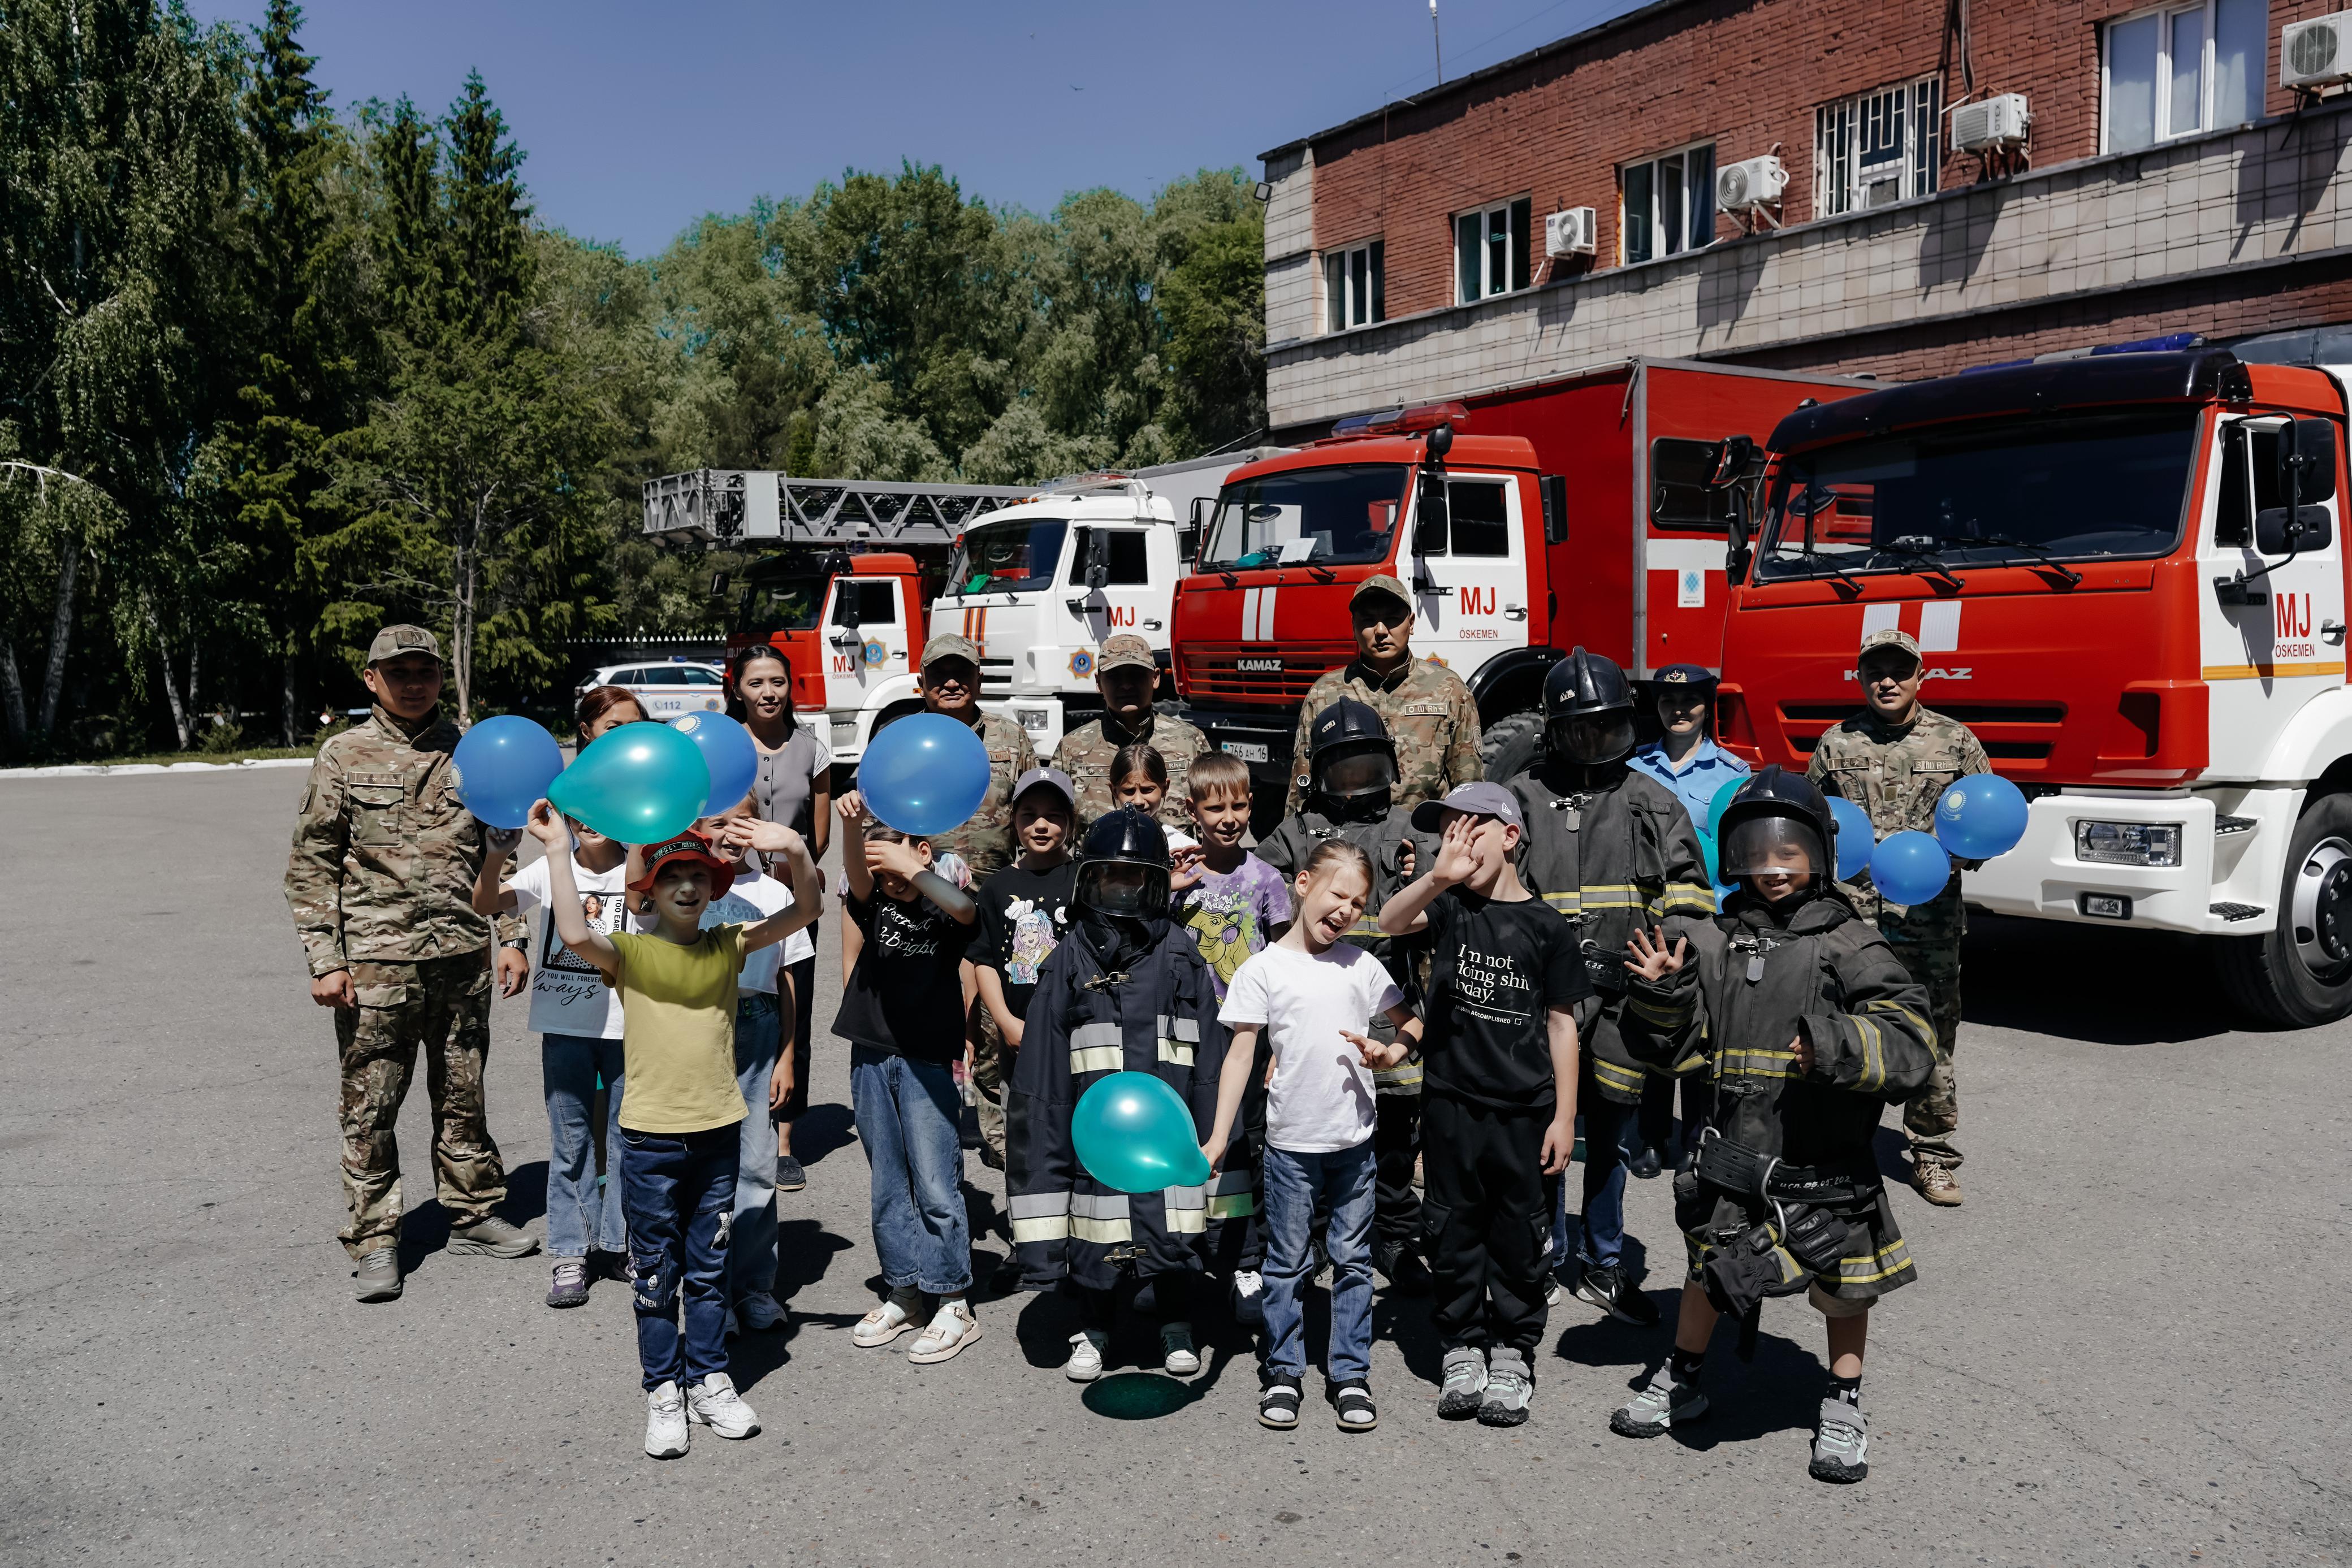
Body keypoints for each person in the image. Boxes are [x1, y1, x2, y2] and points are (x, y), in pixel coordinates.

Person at [1607, 766, 1940, 1484]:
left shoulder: (1849, 941)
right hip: (1733, 1160)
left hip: (1823, 1160)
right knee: (1707, 1269)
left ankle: (1843, 1400)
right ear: (1732, 855)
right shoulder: (1719, 941)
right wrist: (1664, 994)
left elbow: (1914, 1041)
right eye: (1755, 850)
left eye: (1787, 850)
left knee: (1844, 1287)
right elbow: (1681, 1046)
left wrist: (1834, 1045)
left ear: (1818, 852)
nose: (1772, 866)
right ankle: (1684, 1377)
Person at [528, 814, 813, 1459]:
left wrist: (793, 847)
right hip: (650, 1143)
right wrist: (555, 849)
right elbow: (573, 931)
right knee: (655, 1274)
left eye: (697, 875)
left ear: (713, 888)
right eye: (671, 876)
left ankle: (710, 1377)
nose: (686, 885)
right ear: (648, 893)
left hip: (717, 1138)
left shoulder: (729, 944)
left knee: (709, 1268)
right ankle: (663, 1389)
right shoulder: (630, 952)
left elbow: (807, 909)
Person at [284, 623, 538, 1303]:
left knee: (464, 1093)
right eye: (400, 672)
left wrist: (512, 935)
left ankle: (474, 1211)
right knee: (372, 1103)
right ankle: (374, 1238)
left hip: (461, 954)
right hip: (376, 963)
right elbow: (312, 865)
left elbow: (502, 846)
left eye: (425, 668)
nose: (415, 681)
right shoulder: (342, 755)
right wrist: (324, 958)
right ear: (373, 681)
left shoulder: (473, 752)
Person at [1499, 648, 1714, 1329]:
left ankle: (1601, 1259)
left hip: (1624, 999)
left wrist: (1667, 956)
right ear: (1553, 730)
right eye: (1578, 728)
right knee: (1543, 1130)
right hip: (1545, 1002)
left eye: (1605, 726)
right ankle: (1541, 1252)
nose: (1592, 741)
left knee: (1613, 1136)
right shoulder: (1523, 798)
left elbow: (1689, 897)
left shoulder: (1651, 799)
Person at [1378, 782, 1587, 1427]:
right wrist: (1438, 878)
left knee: (1518, 1235)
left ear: (1510, 837)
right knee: (1452, 1227)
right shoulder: (1449, 907)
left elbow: (1560, 1026)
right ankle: (1462, 1344)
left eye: (1470, 828)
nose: (1456, 840)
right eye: (1447, 830)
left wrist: (1562, 1116)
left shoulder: (1547, 926)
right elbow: (1389, 921)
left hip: (1523, 1111)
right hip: (1449, 1102)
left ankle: (1513, 1351)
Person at [1007, 810, 1229, 1385]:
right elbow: (1042, 1081)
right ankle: (1095, 1325)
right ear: (1087, 881)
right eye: (1111, 878)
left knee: (1175, 1218)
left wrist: (1212, 1142)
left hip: (1166, 1132)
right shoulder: (1067, 959)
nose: (1123, 891)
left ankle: (1175, 1320)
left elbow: (1209, 1066)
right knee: (1094, 1225)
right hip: (1094, 1137)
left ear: (1157, 884)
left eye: (1136, 879)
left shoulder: (1182, 954)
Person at [1205, 841, 1421, 1433]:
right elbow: (1240, 1054)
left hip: (1353, 1143)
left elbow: (1412, 1022)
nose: (1348, 909)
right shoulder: (1262, 968)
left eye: (1358, 902)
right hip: (1290, 1146)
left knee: (1353, 1260)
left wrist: (1390, 1051)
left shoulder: (1362, 964)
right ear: (1302, 883)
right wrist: (1219, 1136)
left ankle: (1349, 1372)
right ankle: (1284, 1370)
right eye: (1338, 894)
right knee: (1286, 1262)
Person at [1806, 627, 1990, 1209]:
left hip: (1927, 919)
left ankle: (1933, 1154)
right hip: (1851, 919)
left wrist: (1959, 852)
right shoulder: (1835, 743)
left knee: (1932, 1034)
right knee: (1847, 1029)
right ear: (1859, 677)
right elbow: (1810, 823)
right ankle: (1838, 1150)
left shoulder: (1956, 741)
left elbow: (1987, 823)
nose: (1885, 680)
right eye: (1874, 671)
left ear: (1919, 676)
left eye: (1898, 670)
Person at [1257, 698, 1436, 1294]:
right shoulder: (1295, 832)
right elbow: (1260, 896)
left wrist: (1419, 873)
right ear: (1318, 773)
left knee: (1391, 1136)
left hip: (1387, 1008)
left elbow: (1438, 898)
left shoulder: (1408, 825)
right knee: (1317, 1137)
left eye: (1368, 767)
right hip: (1313, 1018)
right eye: (1344, 769)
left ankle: (1395, 1234)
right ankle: (1314, 1237)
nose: (1358, 783)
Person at [835, 804, 987, 1365]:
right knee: (888, 1183)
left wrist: (912, 866)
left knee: (936, 1180)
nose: (891, 882)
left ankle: (952, 1297)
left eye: (899, 869)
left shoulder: (939, 903)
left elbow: (966, 910)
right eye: (883, 875)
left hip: (929, 1057)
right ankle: (905, 1289)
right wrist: (853, 830)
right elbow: (855, 876)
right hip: (872, 1052)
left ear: (922, 853)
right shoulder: (871, 897)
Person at [470, 804, 636, 1308]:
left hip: (631, 1027)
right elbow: (484, 903)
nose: (590, 820)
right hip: (564, 1028)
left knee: (630, 1142)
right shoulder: (550, 865)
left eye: (601, 808)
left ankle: (624, 1245)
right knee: (571, 1143)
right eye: (578, 811)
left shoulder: (639, 864)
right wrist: (497, 856)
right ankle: (571, 1251)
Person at [1169, 751, 1292, 1316]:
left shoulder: (1265, 877)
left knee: (1246, 1146)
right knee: (1189, 1141)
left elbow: (1287, 962)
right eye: (1214, 806)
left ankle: (1247, 1260)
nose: (1228, 816)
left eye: (1238, 804)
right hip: (1186, 1037)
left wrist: (1282, 1043)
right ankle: (1183, 1251)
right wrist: (1168, 891)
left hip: (1248, 1038)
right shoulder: (1178, 876)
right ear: (1192, 810)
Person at [698, 799, 823, 1338]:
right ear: (697, 828)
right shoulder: (686, 884)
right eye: (719, 823)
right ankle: (711, 1291)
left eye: (744, 822)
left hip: (759, 1028)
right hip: (700, 1030)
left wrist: (788, 1055)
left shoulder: (774, 893)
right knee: (705, 1170)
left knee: (755, 1163)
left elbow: (789, 980)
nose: (733, 833)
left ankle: (754, 1285)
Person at [1625, 662, 1749, 1179]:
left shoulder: (1737, 775)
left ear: (1708, 706)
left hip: (1714, 920)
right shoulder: (1633, 768)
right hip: (1652, 917)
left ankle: (1699, 1135)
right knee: (1657, 1022)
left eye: (1692, 701)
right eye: (1669, 701)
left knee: (1707, 1030)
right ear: (1656, 707)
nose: (1680, 710)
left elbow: (1744, 849)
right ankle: (1653, 1137)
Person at [727, 643, 832, 1195]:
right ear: (737, 688)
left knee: (792, 1007)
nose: (768, 692)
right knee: (730, 1007)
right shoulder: (719, 745)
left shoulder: (812, 749)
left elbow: (819, 836)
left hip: (792, 904)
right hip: (725, 897)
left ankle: (785, 1138)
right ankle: (731, 1121)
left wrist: (794, 870)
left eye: (777, 682)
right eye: (756, 682)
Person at [837, 633, 1034, 883]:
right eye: (939, 675)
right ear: (922, 683)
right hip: (919, 901)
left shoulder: (1011, 737)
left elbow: (1035, 813)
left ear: (979, 681)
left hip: (996, 895)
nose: (951, 683)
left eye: (963, 673)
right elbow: (874, 829)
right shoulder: (896, 741)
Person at [1286, 575, 1482, 816]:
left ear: (1411, 623)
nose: (1380, 631)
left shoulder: (1449, 689)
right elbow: (1301, 790)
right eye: (1368, 621)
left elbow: (1469, 787)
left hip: (1424, 840)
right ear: (1354, 626)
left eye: (1392, 619)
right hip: (1348, 842)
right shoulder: (1324, 693)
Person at [969, 768, 1082, 1180]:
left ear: (1071, 820)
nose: (1040, 824)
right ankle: (1028, 1233)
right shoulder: (997, 888)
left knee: (1079, 1132)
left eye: (1053, 815)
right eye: (1029, 814)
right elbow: (984, 961)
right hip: (1019, 1037)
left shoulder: (1085, 881)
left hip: (1077, 1032)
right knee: (1027, 1135)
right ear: (1012, 820)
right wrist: (1005, 1022)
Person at [1050, 631, 1207, 832]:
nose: (1126, 685)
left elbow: (1210, 812)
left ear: (1155, 678)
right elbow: (1055, 822)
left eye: (1137, 674)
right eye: (1114, 676)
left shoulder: (1190, 741)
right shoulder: (1072, 748)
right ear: (1098, 682)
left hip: (1177, 863)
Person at [1109, 741, 1167, 817]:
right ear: (1114, 792)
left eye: (1147, 790)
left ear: (1165, 789)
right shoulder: (1101, 829)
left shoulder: (1168, 829)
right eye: (1129, 791)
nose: (1138, 801)